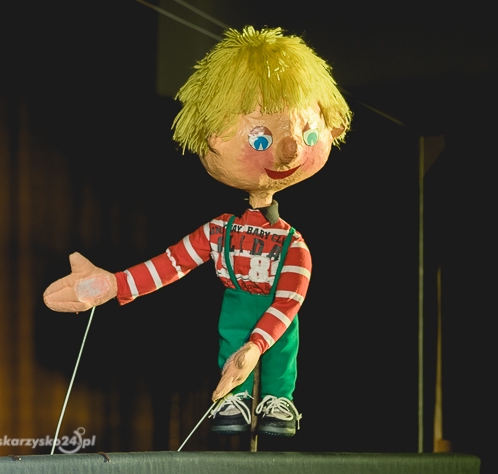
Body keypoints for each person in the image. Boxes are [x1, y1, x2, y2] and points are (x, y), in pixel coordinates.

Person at [43, 26, 351, 437]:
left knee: (282, 347)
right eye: (260, 139)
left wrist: (257, 346)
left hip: (276, 322)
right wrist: (114, 284)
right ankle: (236, 397)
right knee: (234, 326)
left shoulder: (293, 245)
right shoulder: (220, 232)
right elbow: (171, 263)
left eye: (308, 134)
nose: (291, 149)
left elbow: (289, 301)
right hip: (238, 308)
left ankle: (278, 398)